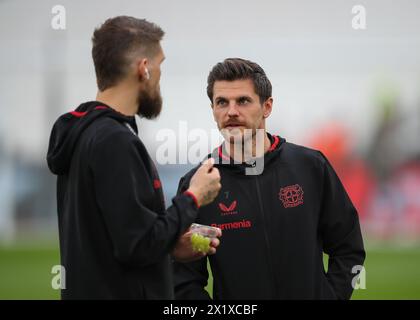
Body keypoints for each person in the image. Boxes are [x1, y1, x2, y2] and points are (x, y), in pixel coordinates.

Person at [46, 16, 221, 300]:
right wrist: (194, 197)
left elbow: (124, 241)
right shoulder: (113, 140)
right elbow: (138, 246)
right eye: (160, 65)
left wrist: (170, 244)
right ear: (144, 69)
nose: (160, 77)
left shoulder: (85, 134)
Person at [173, 58, 366, 300]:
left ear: (267, 107)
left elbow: (348, 248)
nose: (231, 111)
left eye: (243, 101)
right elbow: (183, 280)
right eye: (222, 102)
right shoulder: (199, 184)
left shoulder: (310, 167)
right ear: (213, 110)